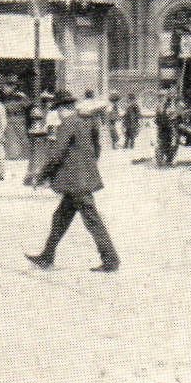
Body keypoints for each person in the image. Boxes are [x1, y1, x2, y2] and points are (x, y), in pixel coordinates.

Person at [25, 91, 120, 273]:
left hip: (75, 183)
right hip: (80, 180)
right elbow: (96, 148)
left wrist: (42, 174)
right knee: (60, 218)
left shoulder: (67, 124)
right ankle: (47, 255)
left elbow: (57, 154)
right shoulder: (85, 122)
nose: (57, 114)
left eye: (58, 109)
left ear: (62, 108)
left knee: (92, 220)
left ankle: (111, 260)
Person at [154, 92, 177, 167]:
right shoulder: (159, 106)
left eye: (163, 97)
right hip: (162, 127)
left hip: (168, 127)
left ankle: (169, 159)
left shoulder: (169, 105)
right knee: (161, 143)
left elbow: (173, 115)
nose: (162, 98)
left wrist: (171, 119)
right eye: (161, 97)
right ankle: (160, 159)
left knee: (170, 142)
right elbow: (157, 117)